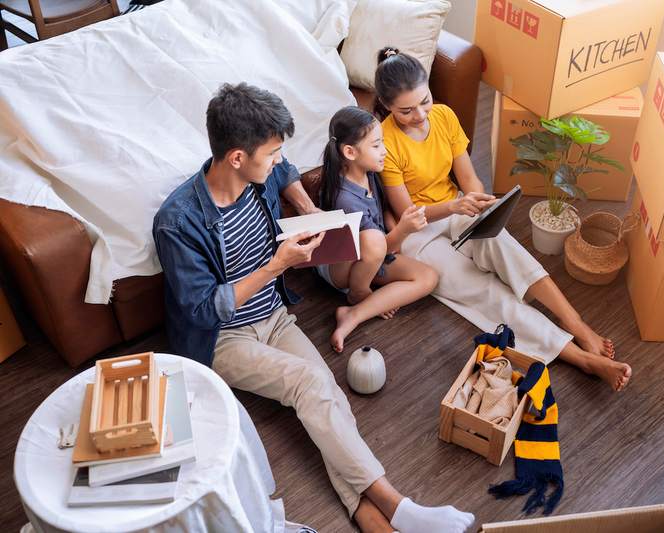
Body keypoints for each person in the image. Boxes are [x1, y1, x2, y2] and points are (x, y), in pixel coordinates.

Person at [153, 83, 474, 533]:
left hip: (274, 316)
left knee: (326, 395)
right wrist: (275, 265)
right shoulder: (178, 222)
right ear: (237, 158)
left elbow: (283, 167)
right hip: (222, 340)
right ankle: (399, 507)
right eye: (269, 153)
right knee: (311, 383)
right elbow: (204, 312)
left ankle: (368, 517)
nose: (279, 160)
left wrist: (306, 208)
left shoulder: (258, 171)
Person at [374, 47, 632, 391]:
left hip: (457, 205)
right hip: (419, 234)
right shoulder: (386, 142)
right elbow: (410, 214)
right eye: (406, 110)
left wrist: (477, 201)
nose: (420, 115)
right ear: (387, 106)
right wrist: (454, 208)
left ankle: (579, 326)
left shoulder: (445, 117)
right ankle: (580, 357)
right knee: (488, 293)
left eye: (425, 101)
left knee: (506, 248)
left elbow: (469, 180)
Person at [317, 106, 438, 352]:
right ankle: (359, 294)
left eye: (382, 143)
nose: (384, 151)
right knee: (374, 240)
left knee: (429, 277)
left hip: (371, 255)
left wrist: (396, 230)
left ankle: (353, 313)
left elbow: (382, 213)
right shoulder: (345, 199)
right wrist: (403, 229)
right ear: (349, 152)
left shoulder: (368, 171)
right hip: (340, 269)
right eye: (376, 146)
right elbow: (378, 246)